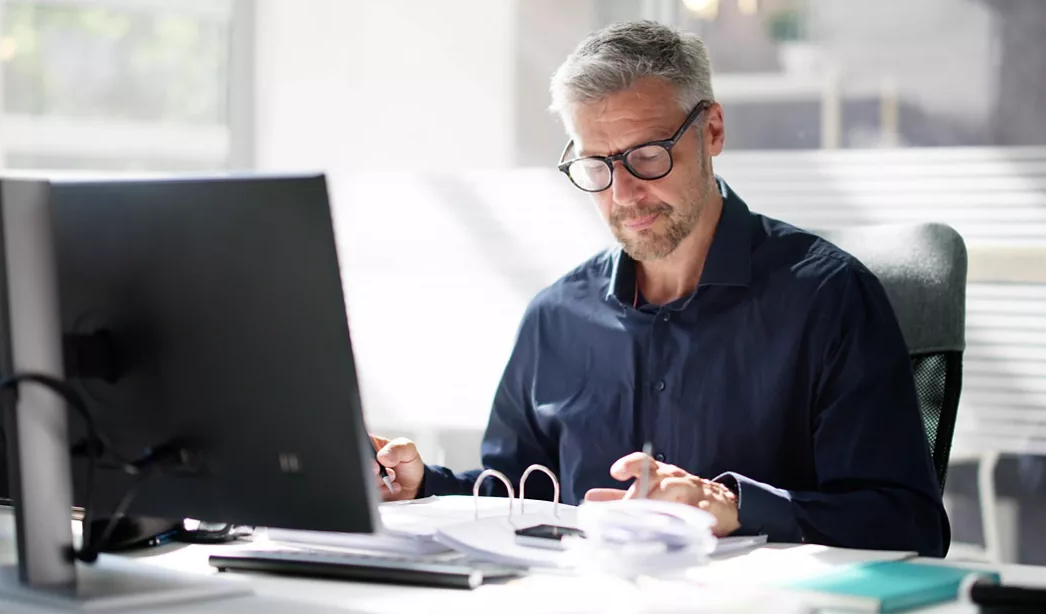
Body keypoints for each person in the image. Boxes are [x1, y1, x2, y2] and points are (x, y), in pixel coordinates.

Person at [371, 20, 949, 556]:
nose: (622, 194)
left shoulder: (830, 299)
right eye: (597, 165)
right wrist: (423, 485)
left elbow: (907, 523)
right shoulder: (556, 316)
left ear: (712, 131)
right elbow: (519, 497)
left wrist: (734, 507)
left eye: (646, 156)